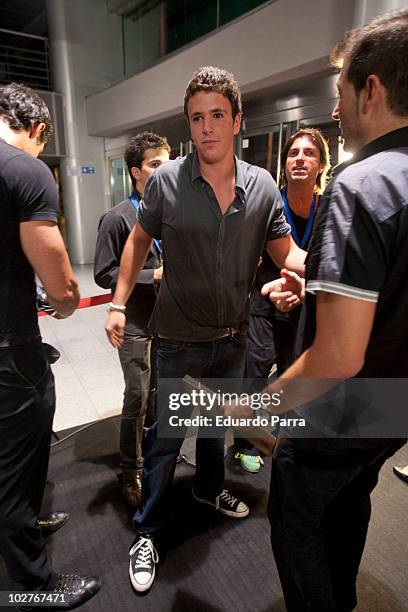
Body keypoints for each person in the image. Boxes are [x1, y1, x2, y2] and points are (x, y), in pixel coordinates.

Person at [105, 66, 306, 593]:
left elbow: (288, 254)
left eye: (217, 115)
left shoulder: (262, 185)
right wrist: (118, 304)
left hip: (234, 340)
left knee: (216, 431)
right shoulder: (167, 181)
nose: (207, 128)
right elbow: (137, 244)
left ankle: (208, 490)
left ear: (237, 120)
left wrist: (344, 270)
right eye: (197, 118)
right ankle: (146, 530)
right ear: (188, 125)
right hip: (176, 341)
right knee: (166, 440)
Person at [248, 10, 408, 611]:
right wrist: (315, 286)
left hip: (347, 407)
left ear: (370, 90)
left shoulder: (359, 184)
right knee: (349, 498)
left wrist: (263, 411)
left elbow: (339, 355)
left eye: (339, 94)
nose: (335, 111)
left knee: (297, 525)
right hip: (394, 407)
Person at [0, 82, 100, 607]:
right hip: (9, 351)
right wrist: (61, 303)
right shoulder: (24, 169)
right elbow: (62, 291)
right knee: (17, 456)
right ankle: (33, 585)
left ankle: (29, 518)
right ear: (38, 130)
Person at [235, 127, 330, 473]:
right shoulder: (266, 202)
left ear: (321, 164)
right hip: (262, 303)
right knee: (255, 372)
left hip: (305, 303)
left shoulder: (328, 207)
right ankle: (246, 441)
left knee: (295, 372)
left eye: (309, 153)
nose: (300, 159)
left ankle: (286, 434)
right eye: (293, 153)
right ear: (284, 163)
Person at [94, 131, 170, 506]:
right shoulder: (117, 218)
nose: (165, 169)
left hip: (170, 322)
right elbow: (103, 274)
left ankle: (154, 459)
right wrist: (150, 276)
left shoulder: (173, 213)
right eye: (156, 164)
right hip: (136, 322)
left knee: (160, 396)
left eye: (168, 162)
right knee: (137, 396)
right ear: (136, 172)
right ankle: (131, 470)